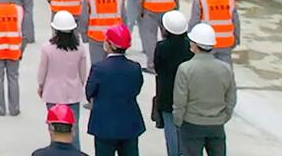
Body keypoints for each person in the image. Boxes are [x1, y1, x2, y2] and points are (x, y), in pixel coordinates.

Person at [174, 22, 235, 155]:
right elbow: (231, 98)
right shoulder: (225, 68)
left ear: (195, 45)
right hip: (216, 124)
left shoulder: (185, 68)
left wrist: (178, 119)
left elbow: (180, 99)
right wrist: (224, 117)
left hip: (192, 123)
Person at [86, 23, 144, 156]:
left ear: (110, 44)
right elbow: (137, 89)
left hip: (104, 125)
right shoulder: (134, 68)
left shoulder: (99, 68)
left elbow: (90, 92)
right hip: (129, 123)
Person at [37, 10, 88, 129]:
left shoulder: (47, 48)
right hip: (73, 93)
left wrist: (41, 86)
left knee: (54, 129)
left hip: (52, 93)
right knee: (73, 129)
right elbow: (83, 73)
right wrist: (79, 84)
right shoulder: (79, 48)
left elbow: (42, 72)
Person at [153, 11, 191, 156]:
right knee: (184, 129)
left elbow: (157, 67)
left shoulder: (162, 47)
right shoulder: (190, 46)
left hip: (167, 93)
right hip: (186, 92)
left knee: (170, 129)